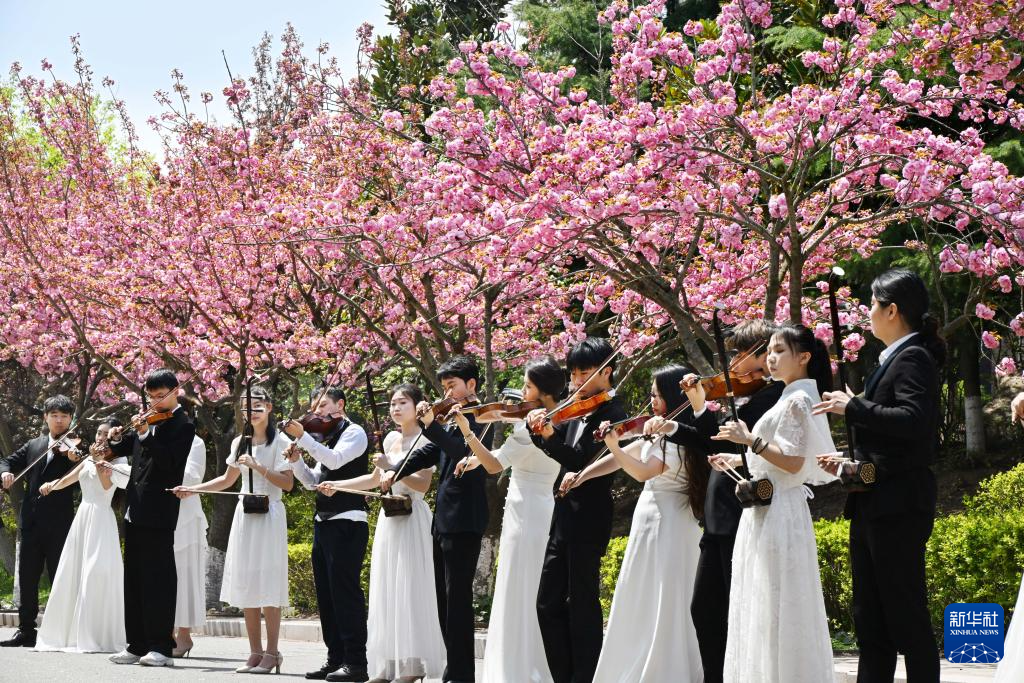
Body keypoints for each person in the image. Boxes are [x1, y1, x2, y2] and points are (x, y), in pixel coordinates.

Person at [815, 268, 945, 682]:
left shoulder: (913, 358)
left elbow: (913, 421)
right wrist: (847, 460)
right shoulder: (892, 359)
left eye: (873, 304)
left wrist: (852, 407)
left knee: (905, 614)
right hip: (874, 499)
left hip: (898, 504)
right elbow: (888, 438)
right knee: (870, 619)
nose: (868, 312)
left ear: (892, 310)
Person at [644, 320, 780, 683]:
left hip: (740, 513)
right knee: (705, 609)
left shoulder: (770, 398)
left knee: (732, 611)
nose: (732, 362)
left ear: (762, 355)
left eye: (740, 353)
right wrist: (679, 423)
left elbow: (729, 444)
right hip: (717, 517)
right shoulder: (741, 395)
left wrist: (702, 409)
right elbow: (711, 442)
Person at [711, 324, 837, 682]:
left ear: (804, 357)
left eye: (780, 351)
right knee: (765, 600)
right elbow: (780, 456)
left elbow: (794, 462)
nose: (771, 358)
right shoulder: (791, 395)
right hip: (771, 507)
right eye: (770, 351)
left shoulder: (797, 399)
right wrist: (736, 458)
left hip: (780, 508)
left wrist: (748, 440)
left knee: (775, 601)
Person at [575, 365, 708, 683]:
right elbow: (627, 454)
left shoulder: (676, 438)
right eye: (651, 395)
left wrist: (613, 445)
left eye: (657, 395)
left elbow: (641, 471)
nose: (652, 402)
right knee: (644, 592)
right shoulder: (659, 433)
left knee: (666, 595)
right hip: (651, 521)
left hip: (669, 522)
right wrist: (581, 476)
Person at [318, 383, 446, 683]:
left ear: (418, 405)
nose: (396, 408)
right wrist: (339, 486)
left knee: (410, 590)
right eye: (392, 404)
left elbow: (423, 484)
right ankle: (388, 666)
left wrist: (393, 466)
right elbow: (375, 479)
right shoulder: (390, 439)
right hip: (390, 520)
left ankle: (413, 665)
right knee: (387, 588)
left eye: (403, 402)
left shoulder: (427, 437)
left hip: (412, 517)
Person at [453, 356, 565, 683]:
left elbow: (495, 466)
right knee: (528, 585)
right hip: (539, 507)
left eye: (528, 386)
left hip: (526, 512)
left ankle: (520, 668)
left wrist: (469, 434)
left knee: (519, 586)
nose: (521, 393)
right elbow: (501, 457)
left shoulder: (531, 429)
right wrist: (474, 460)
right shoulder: (559, 420)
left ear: (544, 392)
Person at [380, 356, 492, 683]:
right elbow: (427, 453)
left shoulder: (481, 416)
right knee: (443, 599)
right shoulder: (450, 419)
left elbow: (462, 453)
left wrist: (432, 426)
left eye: (451, 386)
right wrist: (395, 470)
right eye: (443, 387)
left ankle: (461, 674)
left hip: (464, 518)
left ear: (471, 384)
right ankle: (453, 669)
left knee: (457, 600)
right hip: (443, 520)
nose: (446, 393)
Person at [525, 337, 627, 683]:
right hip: (563, 515)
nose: (576, 381)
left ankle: (584, 676)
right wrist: (538, 429)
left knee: (582, 603)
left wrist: (550, 437)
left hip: (590, 516)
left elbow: (579, 461)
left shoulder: (614, 413)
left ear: (606, 372)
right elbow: (557, 450)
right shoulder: (576, 407)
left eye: (585, 373)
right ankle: (564, 675)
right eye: (573, 373)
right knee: (546, 602)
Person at [174, 385, 294, 674]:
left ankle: (272, 652)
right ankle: (254, 652)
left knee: (269, 585)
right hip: (245, 514)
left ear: (269, 407)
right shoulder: (240, 441)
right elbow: (227, 480)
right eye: (245, 407)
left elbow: (288, 483)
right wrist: (193, 489)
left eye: (257, 406)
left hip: (270, 513)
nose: (251, 412)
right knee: (247, 582)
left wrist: (258, 466)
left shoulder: (281, 441)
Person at [107, 369, 196, 668]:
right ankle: (136, 644)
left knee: (158, 579)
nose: (156, 402)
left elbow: (169, 463)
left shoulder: (184, 424)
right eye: (151, 397)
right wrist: (115, 436)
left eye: (161, 396)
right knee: (134, 579)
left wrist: (145, 434)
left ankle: (161, 647)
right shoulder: (148, 420)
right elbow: (124, 446)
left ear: (175, 392)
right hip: (135, 509)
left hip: (159, 511)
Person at [282, 387, 370, 682]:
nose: (317, 413)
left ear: (340, 404)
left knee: (345, 594)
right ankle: (335, 659)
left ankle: (356, 663)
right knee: (327, 596)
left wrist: (303, 438)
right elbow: (313, 482)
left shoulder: (354, 432)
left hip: (348, 521)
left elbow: (334, 461)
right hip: (323, 522)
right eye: (315, 408)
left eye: (322, 406)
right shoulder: (326, 437)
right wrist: (296, 460)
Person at [34, 417, 128, 653]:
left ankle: (95, 635)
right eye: (99, 433)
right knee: (74, 571)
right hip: (83, 518)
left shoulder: (118, 460)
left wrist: (97, 460)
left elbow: (106, 486)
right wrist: (52, 484)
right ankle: (70, 634)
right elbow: (69, 478)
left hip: (101, 518)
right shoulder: (88, 459)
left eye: (106, 434)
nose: (100, 437)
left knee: (95, 572)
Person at [0, 394, 81, 649]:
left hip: (60, 523)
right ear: (45, 417)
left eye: (64, 416)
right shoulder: (34, 445)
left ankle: (60, 631)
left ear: (71, 419)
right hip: (31, 522)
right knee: (27, 578)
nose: (59, 421)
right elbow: (6, 461)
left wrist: (75, 456)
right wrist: (5, 472)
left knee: (59, 577)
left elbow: (82, 472)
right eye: (54, 415)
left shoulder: (76, 446)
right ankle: (26, 631)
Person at [172, 434, 208, 658]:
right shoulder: (154, 436)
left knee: (184, 576)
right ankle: (163, 633)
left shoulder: (195, 441)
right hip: (160, 514)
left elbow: (192, 477)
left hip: (186, 516)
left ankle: (184, 635)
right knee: (163, 577)